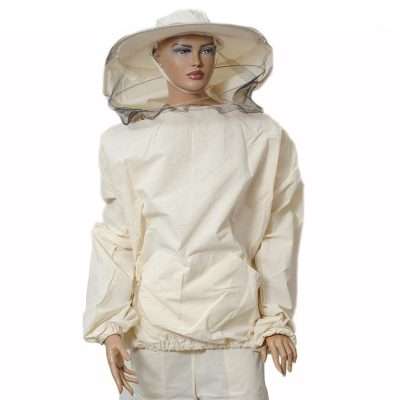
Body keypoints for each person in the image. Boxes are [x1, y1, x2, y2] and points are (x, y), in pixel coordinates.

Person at [82, 9, 304, 400]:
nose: (197, 61)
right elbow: (118, 237)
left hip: (234, 325)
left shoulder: (261, 136)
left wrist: (275, 321)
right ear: (156, 56)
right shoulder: (125, 143)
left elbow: (278, 229)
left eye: (207, 50)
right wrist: (111, 325)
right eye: (182, 50)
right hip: (153, 331)